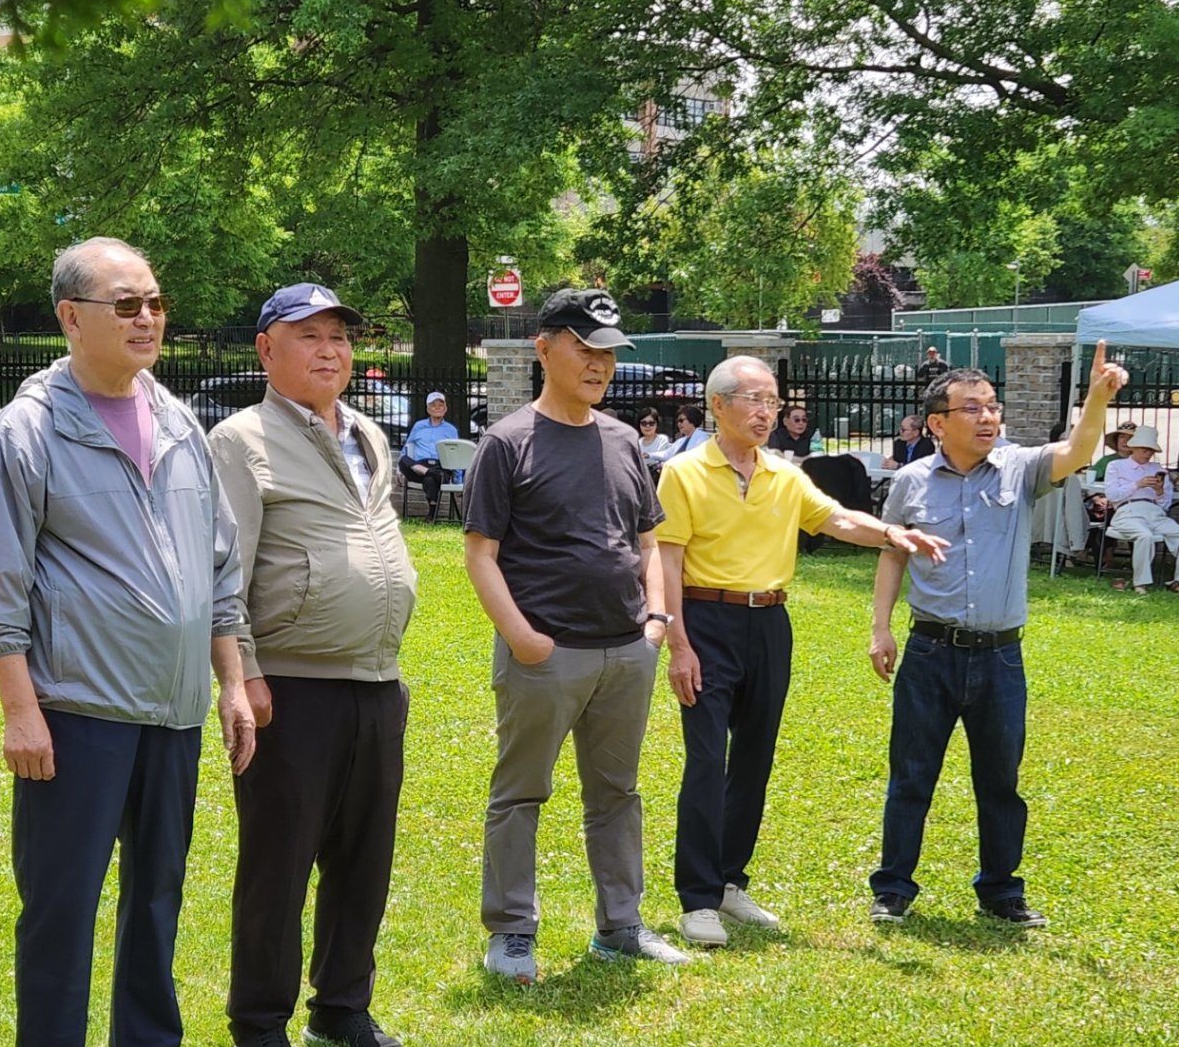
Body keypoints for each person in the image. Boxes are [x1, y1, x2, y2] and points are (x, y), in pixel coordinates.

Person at [0, 238, 255, 1047]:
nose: (148, 318)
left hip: (172, 708)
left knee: (158, 890)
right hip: (77, 711)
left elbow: (218, 564)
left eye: (156, 302)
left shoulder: (177, 419)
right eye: (126, 303)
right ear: (71, 317)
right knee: (62, 903)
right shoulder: (25, 432)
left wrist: (230, 680)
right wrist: (21, 709)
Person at [656, 356, 946, 948]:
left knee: (754, 759)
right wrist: (678, 645)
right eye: (754, 400)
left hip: (769, 623)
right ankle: (698, 898)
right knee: (707, 761)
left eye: (772, 401)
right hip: (705, 619)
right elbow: (667, 562)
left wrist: (891, 533)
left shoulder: (784, 476)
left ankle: (730, 881)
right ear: (718, 405)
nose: (766, 412)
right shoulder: (683, 473)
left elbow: (836, 519)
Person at [209, 282, 417, 1047]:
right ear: (267, 350)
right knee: (279, 859)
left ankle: (342, 1006)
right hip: (289, 688)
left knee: (364, 857)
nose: (331, 350)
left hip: (377, 680)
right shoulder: (241, 440)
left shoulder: (367, 433)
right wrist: (245, 673)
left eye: (340, 336)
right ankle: (260, 1022)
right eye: (310, 336)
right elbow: (224, 571)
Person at [463, 287, 688, 982]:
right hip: (546, 656)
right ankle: (511, 933)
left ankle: (621, 926)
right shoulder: (507, 443)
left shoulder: (622, 441)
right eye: (585, 348)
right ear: (544, 348)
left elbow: (647, 541)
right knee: (520, 793)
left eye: (608, 354)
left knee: (617, 794)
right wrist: (524, 638)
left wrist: (655, 621)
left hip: (627, 650)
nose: (599, 364)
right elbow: (480, 555)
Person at [866, 346, 1129, 929]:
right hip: (929, 651)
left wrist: (1097, 397)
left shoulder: (1019, 468)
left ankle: (1001, 890)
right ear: (938, 423)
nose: (988, 417)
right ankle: (893, 888)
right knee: (911, 776)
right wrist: (881, 629)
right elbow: (893, 554)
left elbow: (1078, 450)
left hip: (1000, 656)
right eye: (972, 408)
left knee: (1000, 781)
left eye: (992, 406)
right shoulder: (910, 481)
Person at [1101, 424, 1179, 595]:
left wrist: (1159, 491)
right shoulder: (1116, 466)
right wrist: (1137, 484)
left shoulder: (1158, 470)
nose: (1147, 454)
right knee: (1144, 535)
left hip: (1154, 512)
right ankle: (1140, 582)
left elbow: (1165, 504)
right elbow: (1112, 495)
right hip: (1128, 511)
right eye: (1144, 449)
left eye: (1151, 450)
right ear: (1133, 447)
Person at [399, 390, 459, 520]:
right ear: (428, 409)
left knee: (430, 479)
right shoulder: (419, 426)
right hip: (419, 467)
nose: (437, 408)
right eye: (433, 405)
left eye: (440, 405)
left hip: (441, 466)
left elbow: (456, 454)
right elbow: (406, 448)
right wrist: (399, 471)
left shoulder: (451, 430)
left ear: (445, 409)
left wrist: (458, 480)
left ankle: (431, 514)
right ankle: (428, 472)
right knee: (403, 459)